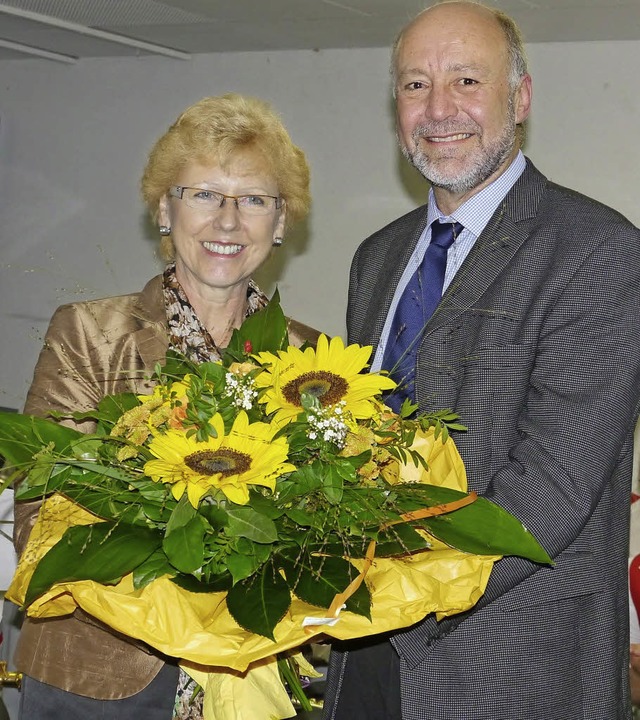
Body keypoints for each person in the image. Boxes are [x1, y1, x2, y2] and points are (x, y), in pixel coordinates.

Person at [323, 2, 640, 719]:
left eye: (467, 80)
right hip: (365, 656)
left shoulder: (597, 250)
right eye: (414, 85)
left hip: (508, 661)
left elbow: (553, 485)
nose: (439, 109)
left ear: (520, 97)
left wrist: (401, 585)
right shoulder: (376, 259)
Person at [13, 93, 319, 720]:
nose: (228, 222)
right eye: (204, 194)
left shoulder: (313, 362)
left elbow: (328, 519)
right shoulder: (90, 335)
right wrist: (192, 590)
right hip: (100, 676)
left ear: (281, 221)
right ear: (164, 208)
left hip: (260, 672)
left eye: (254, 199)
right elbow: (42, 513)